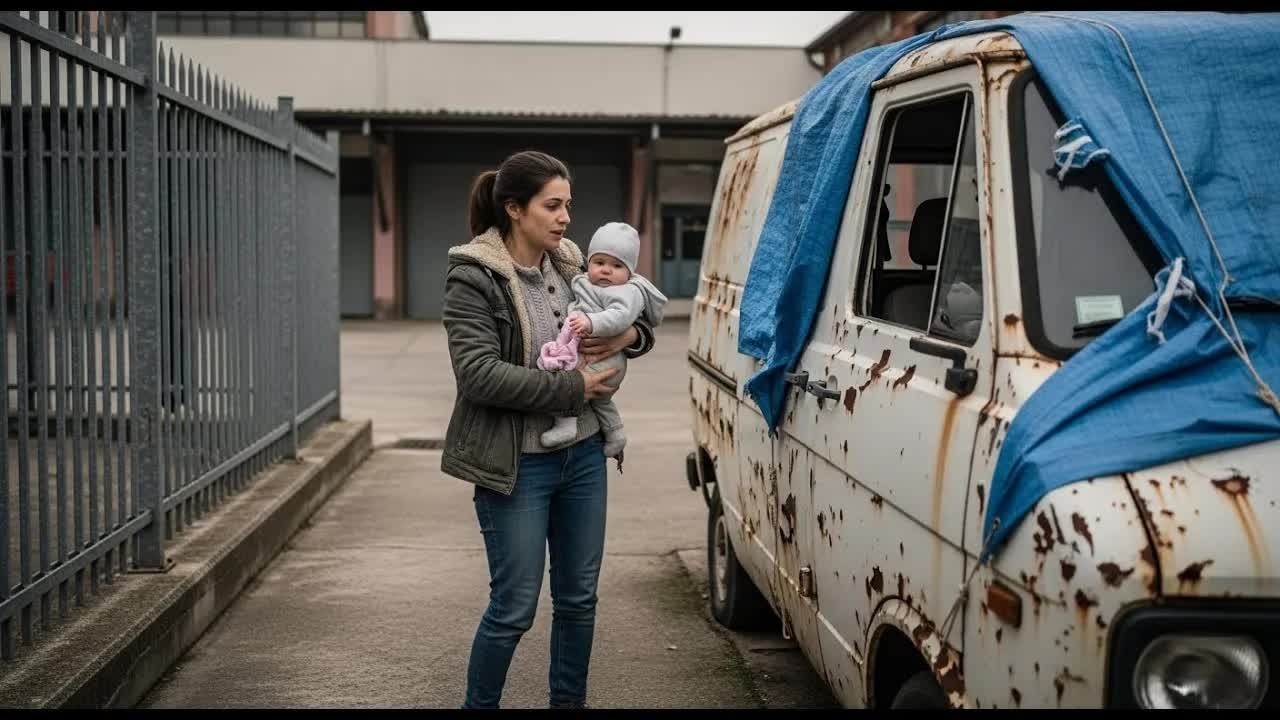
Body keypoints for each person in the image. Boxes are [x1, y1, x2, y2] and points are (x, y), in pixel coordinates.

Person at [441, 150, 656, 709]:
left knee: (579, 600)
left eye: (568, 205)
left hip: (582, 457)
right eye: (552, 205)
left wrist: (630, 339)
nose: (565, 218)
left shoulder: (571, 264)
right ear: (514, 209)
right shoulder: (475, 277)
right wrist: (573, 390)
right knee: (514, 607)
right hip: (516, 464)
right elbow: (478, 375)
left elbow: (631, 310)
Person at [536, 221, 667, 466]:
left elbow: (620, 317)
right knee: (601, 401)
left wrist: (591, 322)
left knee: (578, 388)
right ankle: (616, 433)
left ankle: (566, 423)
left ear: (630, 272)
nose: (606, 271)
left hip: (607, 360)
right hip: (595, 354)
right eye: (599, 263)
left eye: (616, 265)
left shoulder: (627, 291)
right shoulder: (585, 280)